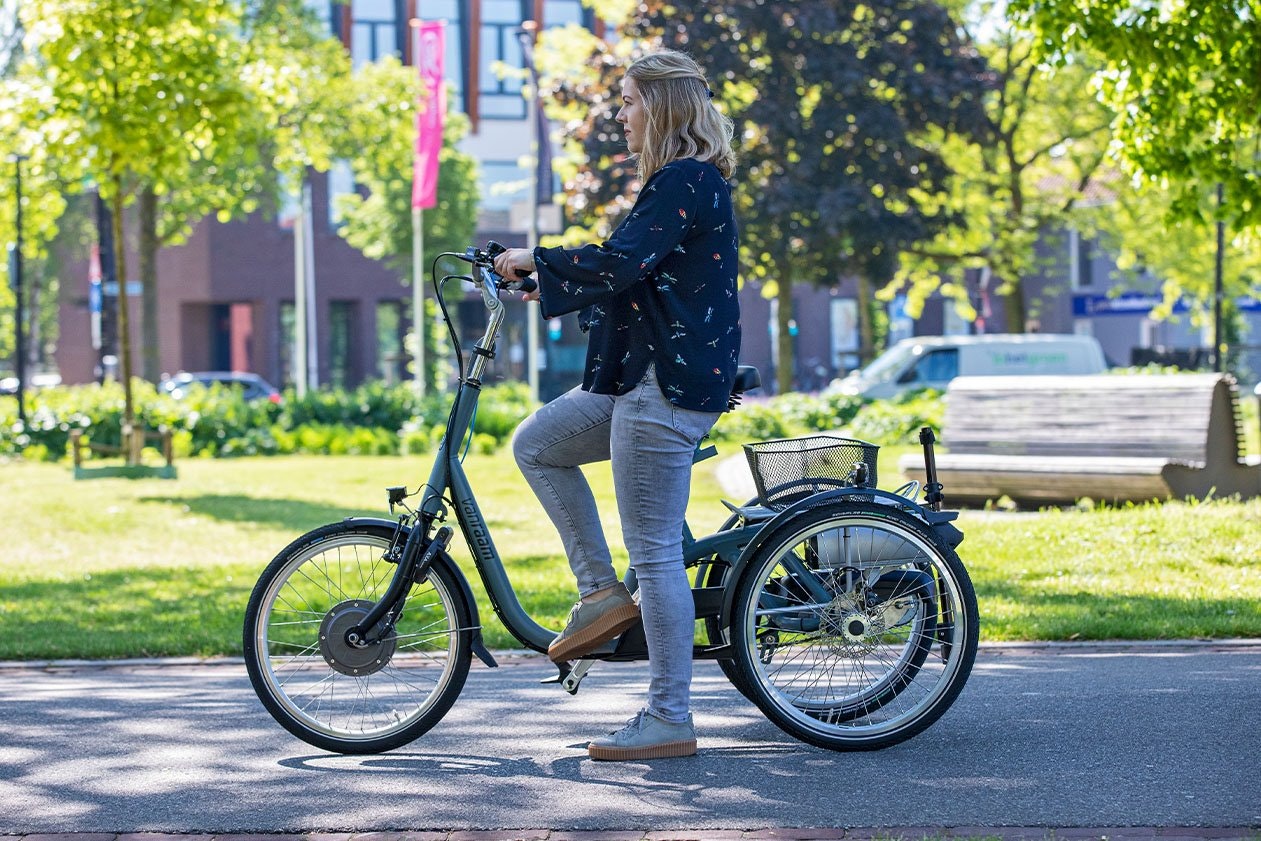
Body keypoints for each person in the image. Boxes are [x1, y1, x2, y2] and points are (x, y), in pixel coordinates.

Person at [492, 49, 740, 762]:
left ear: (660, 108)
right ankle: (600, 592)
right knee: (537, 442)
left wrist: (537, 259)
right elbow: (633, 270)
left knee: (657, 553)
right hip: (644, 381)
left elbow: (619, 261)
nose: (620, 115)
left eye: (629, 102)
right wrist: (550, 278)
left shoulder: (683, 180)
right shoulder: (680, 183)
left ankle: (668, 716)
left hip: (664, 387)